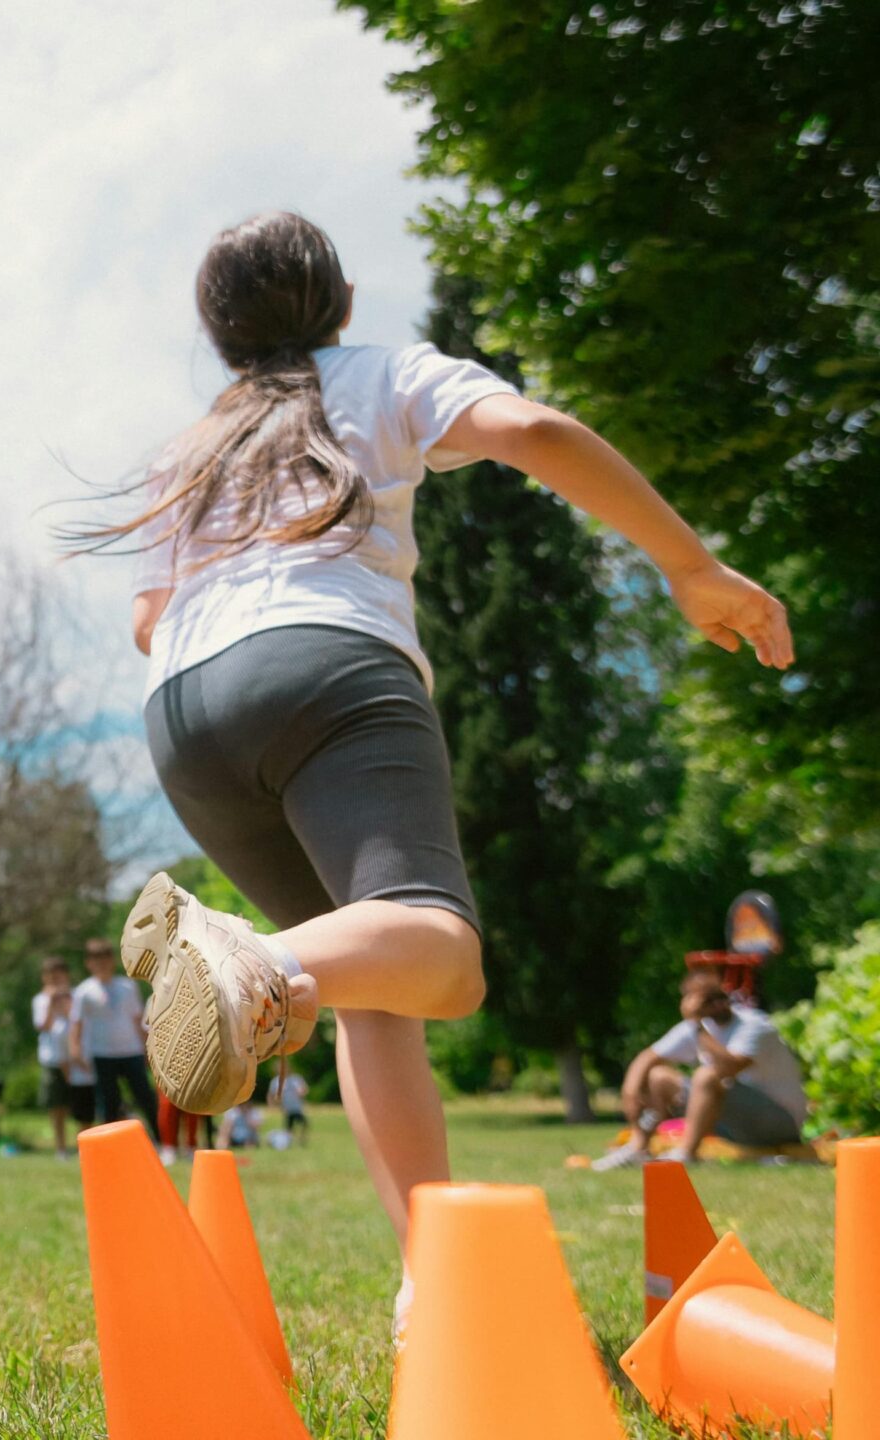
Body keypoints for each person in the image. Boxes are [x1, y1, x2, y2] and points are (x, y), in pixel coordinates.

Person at [98, 211, 789, 1334]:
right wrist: (690, 565)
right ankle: (250, 964)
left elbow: (144, 621)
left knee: (375, 989)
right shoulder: (376, 374)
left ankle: (440, 1276)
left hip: (181, 713)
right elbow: (537, 429)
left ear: (219, 335)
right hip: (322, 665)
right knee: (442, 952)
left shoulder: (191, 448)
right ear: (343, 298)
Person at [596, 971, 809, 1169]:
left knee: (707, 1075)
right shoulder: (697, 1027)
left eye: (719, 998)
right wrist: (631, 1092)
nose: (716, 1005)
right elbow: (648, 1057)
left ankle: (687, 1154)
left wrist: (697, 1025)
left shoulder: (755, 1025)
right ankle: (638, 1148)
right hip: (736, 1125)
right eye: (708, 1000)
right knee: (658, 1076)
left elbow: (729, 1067)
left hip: (779, 1124)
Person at [71, 938, 158, 1140]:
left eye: (105, 959)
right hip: (102, 1053)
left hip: (131, 1051)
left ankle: (162, 1142)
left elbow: (138, 1020)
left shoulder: (127, 986)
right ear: (89, 963)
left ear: (113, 961)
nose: (101, 964)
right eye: (96, 960)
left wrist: (148, 1049)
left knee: (146, 1098)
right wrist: (75, 1050)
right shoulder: (84, 991)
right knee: (109, 1102)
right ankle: (111, 1144)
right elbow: (76, 1024)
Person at [32, 958, 86, 1159]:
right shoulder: (40, 1000)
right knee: (57, 1107)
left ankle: (83, 1146)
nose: (54, 979)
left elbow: (78, 1020)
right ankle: (61, 1148)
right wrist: (51, 1004)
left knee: (81, 1105)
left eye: (58, 974)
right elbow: (42, 1026)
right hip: (52, 1058)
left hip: (76, 1058)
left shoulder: (77, 995)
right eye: (50, 975)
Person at [275, 1070, 310, 1149]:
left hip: (297, 1108)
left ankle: (301, 1139)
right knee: (289, 1128)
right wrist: (278, 1104)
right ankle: (288, 1142)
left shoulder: (296, 1078)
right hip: (288, 1109)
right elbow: (275, 1095)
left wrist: (301, 1092)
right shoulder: (277, 1081)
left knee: (304, 1124)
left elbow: (305, 1089)